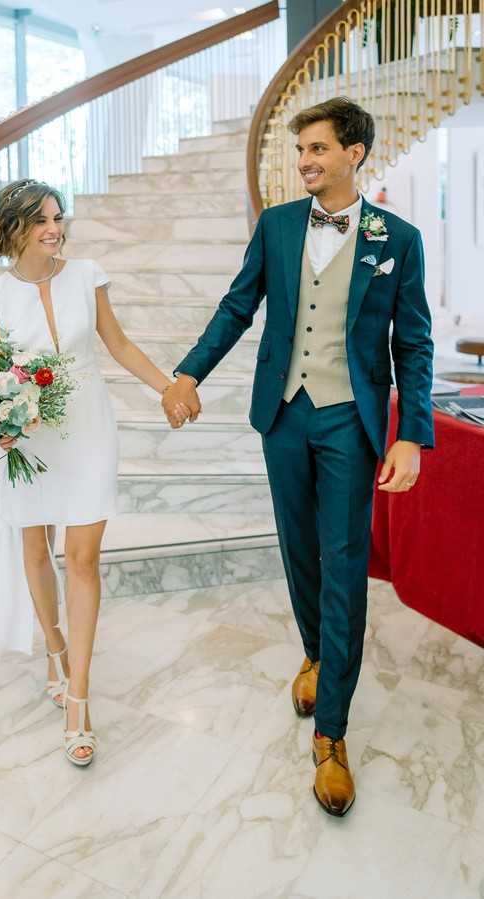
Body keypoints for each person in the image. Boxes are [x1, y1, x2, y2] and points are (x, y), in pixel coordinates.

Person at [163, 96, 434, 816]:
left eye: (318, 149)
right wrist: (189, 371)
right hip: (284, 415)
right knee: (301, 552)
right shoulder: (278, 226)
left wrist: (411, 433)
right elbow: (236, 305)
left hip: (350, 419)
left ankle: (333, 733)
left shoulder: (396, 239)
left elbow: (413, 342)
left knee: (345, 563)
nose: (305, 161)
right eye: (301, 151)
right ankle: (318, 652)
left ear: (354, 153)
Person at [0, 179, 189, 766]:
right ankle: (55, 647)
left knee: (83, 558)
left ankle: (80, 699)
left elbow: (117, 343)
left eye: (58, 217)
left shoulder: (87, 274)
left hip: (88, 426)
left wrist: (169, 387)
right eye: (41, 219)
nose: (55, 228)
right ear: (12, 227)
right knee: (35, 549)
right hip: (30, 436)